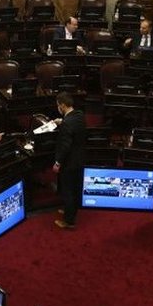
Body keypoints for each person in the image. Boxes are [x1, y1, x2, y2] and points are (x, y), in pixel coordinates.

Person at [53, 91, 85, 229]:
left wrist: (57, 162)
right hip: (80, 158)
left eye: (58, 105)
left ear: (63, 105)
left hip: (69, 162)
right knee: (75, 188)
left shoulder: (67, 123)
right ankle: (70, 210)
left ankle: (68, 221)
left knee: (68, 190)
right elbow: (72, 126)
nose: (58, 108)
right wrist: (63, 121)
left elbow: (64, 146)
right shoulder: (79, 115)